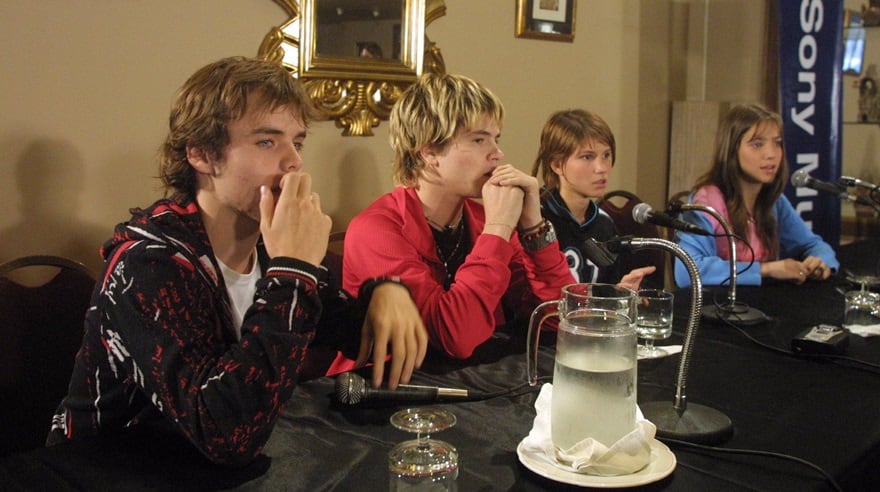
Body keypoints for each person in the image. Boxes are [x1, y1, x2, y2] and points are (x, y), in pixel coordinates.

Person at [46, 56, 427, 466]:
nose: (294, 161)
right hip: (101, 469)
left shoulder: (268, 244)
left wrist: (385, 291)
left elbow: (341, 328)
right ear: (202, 156)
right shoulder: (148, 265)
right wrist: (293, 271)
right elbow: (225, 434)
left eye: (296, 142)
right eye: (267, 141)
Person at [342, 73, 574, 360]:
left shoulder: (479, 219)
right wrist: (499, 228)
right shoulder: (375, 230)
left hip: (476, 383)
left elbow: (558, 318)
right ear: (429, 151)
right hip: (388, 392)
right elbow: (454, 336)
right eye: (479, 140)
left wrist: (533, 228)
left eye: (495, 139)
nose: (497, 153)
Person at [674, 103, 839, 287]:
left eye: (777, 143)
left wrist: (820, 262)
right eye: (757, 144)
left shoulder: (774, 201)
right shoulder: (706, 202)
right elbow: (686, 271)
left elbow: (813, 244)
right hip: (716, 308)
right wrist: (765, 269)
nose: (771, 154)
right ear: (732, 150)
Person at [531, 109, 657, 290]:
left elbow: (606, 291)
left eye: (606, 155)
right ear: (557, 165)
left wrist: (619, 293)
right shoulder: (535, 221)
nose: (601, 168)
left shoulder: (604, 223)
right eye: (587, 157)